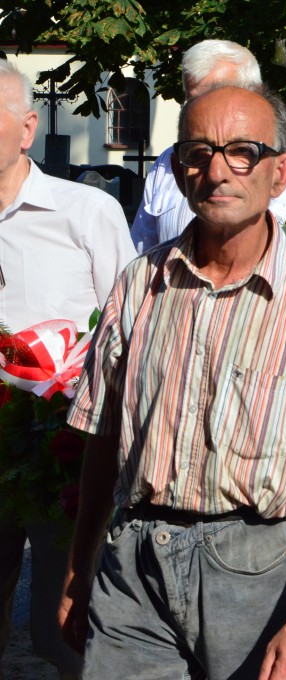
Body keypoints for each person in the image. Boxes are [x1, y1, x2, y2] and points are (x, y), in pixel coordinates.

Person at [58, 86, 286, 680]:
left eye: (242, 152)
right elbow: (103, 436)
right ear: (178, 170)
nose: (217, 170)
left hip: (261, 570)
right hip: (136, 560)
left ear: (280, 174)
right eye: (198, 152)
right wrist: (81, 563)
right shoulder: (138, 285)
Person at [0, 59, 135, 680]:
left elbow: (131, 331)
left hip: (62, 454)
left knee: (60, 626)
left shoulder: (85, 212)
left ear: (28, 128)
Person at [130, 39, 286, 252]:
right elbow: (142, 250)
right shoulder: (168, 163)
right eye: (194, 100)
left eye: (219, 94)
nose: (207, 109)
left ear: (255, 91)